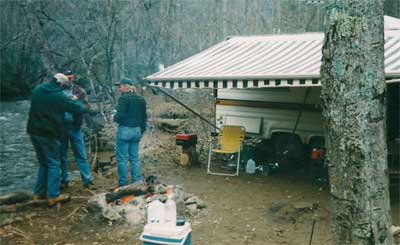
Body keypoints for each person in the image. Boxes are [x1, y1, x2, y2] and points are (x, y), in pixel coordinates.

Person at [27, 73, 84, 206]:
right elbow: (78, 109)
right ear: (61, 84)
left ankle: (38, 193)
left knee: (43, 163)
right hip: (49, 133)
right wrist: (76, 100)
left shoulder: (38, 90)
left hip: (33, 131)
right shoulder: (59, 96)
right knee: (54, 163)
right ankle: (53, 195)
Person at [59, 70, 96, 190]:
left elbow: (86, 107)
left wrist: (77, 102)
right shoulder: (56, 91)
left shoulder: (79, 91)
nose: (70, 80)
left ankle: (87, 180)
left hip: (75, 127)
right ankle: (64, 180)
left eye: (71, 78)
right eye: (67, 78)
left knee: (81, 154)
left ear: (73, 78)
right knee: (62, 155)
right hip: (60, 127)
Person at [114, 78, 147, 187]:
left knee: (122, 159)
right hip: (137, 130)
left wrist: (114, 116)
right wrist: (141, 130)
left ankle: (123, 183)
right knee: (134, 158)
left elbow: (120, 116)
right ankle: (136, 181)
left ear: (125, 86)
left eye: (120, 86)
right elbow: (144, 118)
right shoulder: (141, 99)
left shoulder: (123, 98)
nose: (119, 88)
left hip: (125, 130)